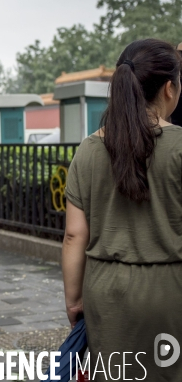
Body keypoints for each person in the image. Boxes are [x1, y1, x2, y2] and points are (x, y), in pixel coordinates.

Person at [62, 39, 182, 381]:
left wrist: (74, 300)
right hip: (170, 292)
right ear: (170, 88)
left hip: (105, 293)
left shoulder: (88, 150)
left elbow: (74, 235)